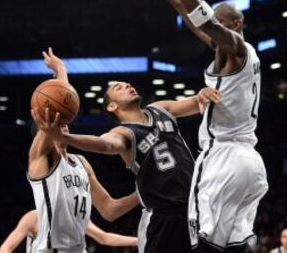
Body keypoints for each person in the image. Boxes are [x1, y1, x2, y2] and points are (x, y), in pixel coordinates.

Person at [32, 56, 221, 252]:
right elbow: (104, 145)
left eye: (126, 83)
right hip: (163, 217)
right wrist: (67, 138)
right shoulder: (123, 133)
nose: (127, 85)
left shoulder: (160, 109)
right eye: (118, 88)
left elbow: (196, 102)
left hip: (195, 208)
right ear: (112, 106)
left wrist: (203, 95)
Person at [145, 0, 269, 252]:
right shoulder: (226, 51)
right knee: (236, 246)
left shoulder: (238, 48)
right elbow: (201, 27)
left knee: (203, 244)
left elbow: (208, 24)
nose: (214, 25)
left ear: (237, 24)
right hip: (250, 164)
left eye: (221, 22)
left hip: (223, 158)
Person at [27, 48, 139, 252]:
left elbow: (109, 210)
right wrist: (61, 70)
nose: (62, 122)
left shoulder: (81, 163)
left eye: (63, 120)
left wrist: (143, 192)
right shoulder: (41, 162)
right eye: (55, 120)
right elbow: (57, 101)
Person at [0, 210, 138, 253]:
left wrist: (139, 240)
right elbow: (6, 248)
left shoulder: (77, 216)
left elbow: (104, 238)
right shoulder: (34, 217)